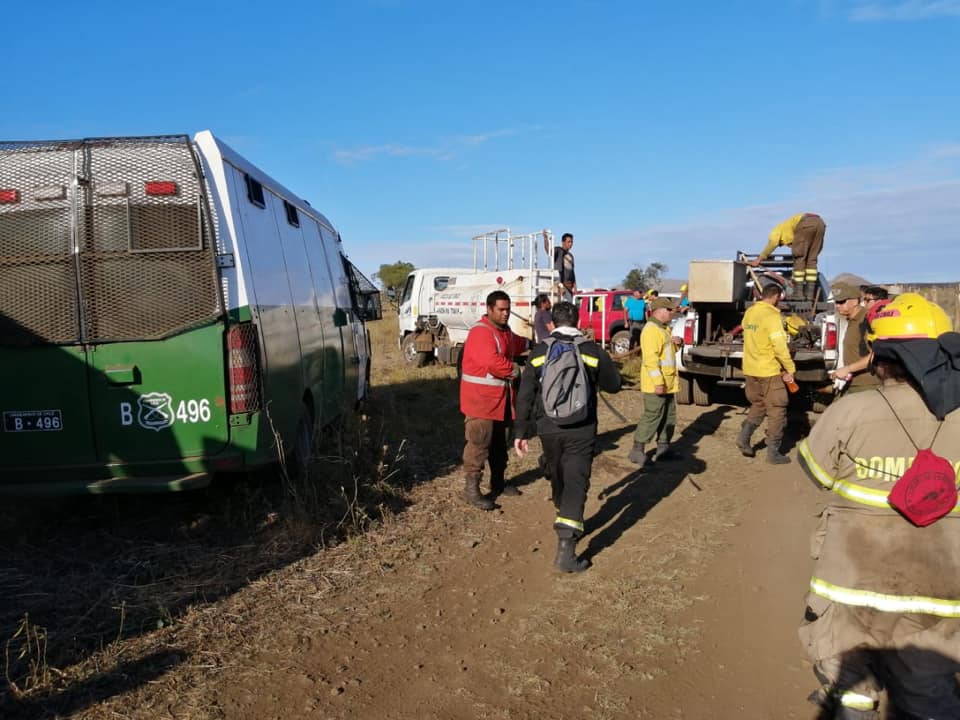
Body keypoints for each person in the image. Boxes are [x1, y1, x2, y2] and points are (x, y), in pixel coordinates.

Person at [796, 293, 960, 718]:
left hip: (853, 587)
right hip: (940, 595)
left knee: (852, 689)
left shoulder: (853, 410)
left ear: (878, 355)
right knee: (931, 694)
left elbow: (817, 472)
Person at [513, 301, 621, 572]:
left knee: (559, 473)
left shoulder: (539, 352)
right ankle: (566, 554)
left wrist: (521, 431)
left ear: (553, 321)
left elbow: (525, 394)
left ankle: (564, 513)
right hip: (581, 428)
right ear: (578, 319)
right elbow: (614, 385)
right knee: (576, 481)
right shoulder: (592, 350)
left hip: (547, 427)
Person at [459, 290, 525, 510]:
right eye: (501, 309)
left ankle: (498, 482)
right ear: (489, 309)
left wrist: (539, 344)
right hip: (480, 402)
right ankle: (471, 490)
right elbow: (492, 362)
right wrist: (514, 369)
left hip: (500, 401)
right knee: (479, 444)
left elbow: (518, 343)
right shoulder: (481, 332)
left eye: (508, 309)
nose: (506, 313)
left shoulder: (504, 331)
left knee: (499, 443)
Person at [736, 283, 795, 464]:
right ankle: (773, 452)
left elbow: (747, 329)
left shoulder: (750, 312)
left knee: (758, 404)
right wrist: (790, 368)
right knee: (777, 409)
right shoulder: (772, 316)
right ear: (776, 296)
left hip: (750, 368)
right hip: (768, 370)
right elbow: (779, 346)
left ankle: (743, 439)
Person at [628, 297, 683, 467]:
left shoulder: (663, 329)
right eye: (669, 310)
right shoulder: (651, 330)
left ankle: (663, 449)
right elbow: (651, 361)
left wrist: (676, 344)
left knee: (669, 416)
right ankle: (637, 451)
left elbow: (665, 353)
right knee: (653, 416)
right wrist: (658, 382)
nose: (672, 313)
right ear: (660, 311)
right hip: (656, 384)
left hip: (668, 382)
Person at [748, 213, 826, 301]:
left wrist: (759, 259)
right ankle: (810, 294)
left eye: (781, 244)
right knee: (811, 260)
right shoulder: (789, 230)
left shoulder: (776, 231)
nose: (783, 245)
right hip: (820, 224)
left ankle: (798, 293)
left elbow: (772, 244)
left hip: (806, 223)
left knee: (799, 258)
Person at [830, 282, 880, 394]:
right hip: (853, 384)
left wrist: (847, 369)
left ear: (855, 301)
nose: (837, 305)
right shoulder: (852, 320)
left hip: (867, 386)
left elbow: (875, 355)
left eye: (841, 302)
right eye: (836, 302)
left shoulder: (866, 320)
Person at [552, 232, 576, 302]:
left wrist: (575, 285)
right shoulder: (558, 250)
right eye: (568, 242)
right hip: (561, 285)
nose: (570, 244)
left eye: (571, 242)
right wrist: (546, 240)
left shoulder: (570, 255)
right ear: (563, 242)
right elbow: (549, 252)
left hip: (569, 286)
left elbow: (572, 271)